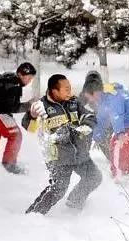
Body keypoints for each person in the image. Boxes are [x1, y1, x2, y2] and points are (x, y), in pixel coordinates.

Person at [23, 74, 102, 214]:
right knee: (58, 189)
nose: (69, 92)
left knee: (94, 177)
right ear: (54, 91)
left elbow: (89, 116)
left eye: (70, 88)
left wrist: (85, 127)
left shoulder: (73, 102)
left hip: (79, 153)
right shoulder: (42, 107)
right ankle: (34, 214)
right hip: (58, 157)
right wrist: (32, 116)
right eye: (66, 89)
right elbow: (29, 127)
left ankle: (74, 203)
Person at [82, 80, 129, 178]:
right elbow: (101, 120)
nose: (90, 101)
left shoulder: (112, 97)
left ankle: (121, 177)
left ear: (95, 92)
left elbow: (117, 115)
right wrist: (97, 137)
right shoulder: (104, 100)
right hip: (128, 125)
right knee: (122, 149)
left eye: (90, 97)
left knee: (119, 149)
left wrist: (120, 133)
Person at [0, 62, 37, 173]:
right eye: (29, 78)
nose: (29, 81)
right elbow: (12, 108)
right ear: (20, 74)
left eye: (31, 79)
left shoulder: (6, 78)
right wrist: (29, 104)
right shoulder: (15, 85)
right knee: (15, 135)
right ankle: (9, 164)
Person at [80, 71, 112, 160]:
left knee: (104, 139)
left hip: (107, 117)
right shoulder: (87, 91)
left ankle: (113, 158)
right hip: (99, 117)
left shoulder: (105, 91)